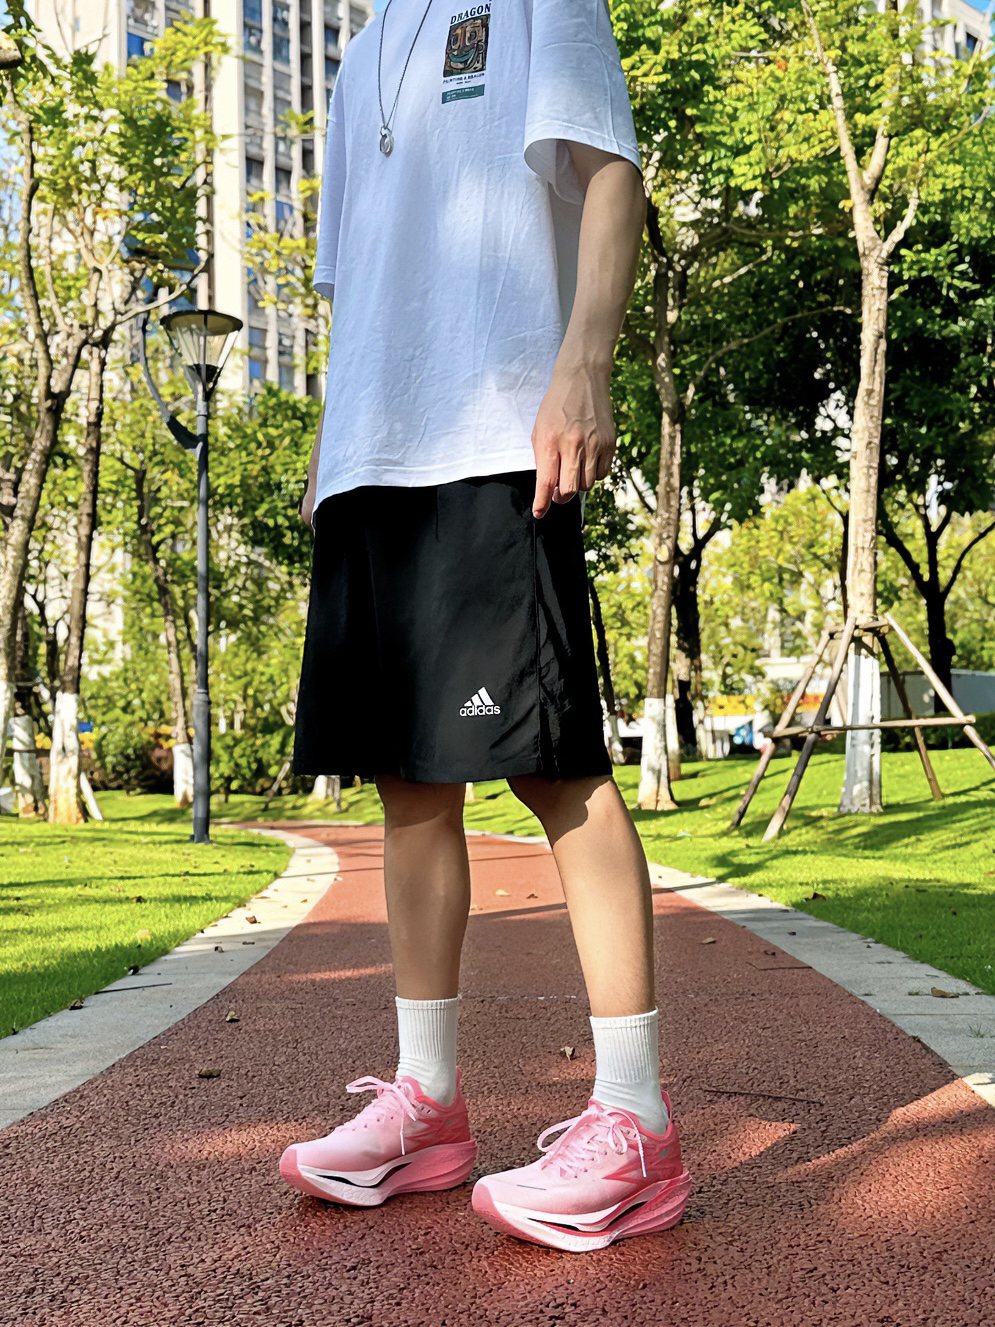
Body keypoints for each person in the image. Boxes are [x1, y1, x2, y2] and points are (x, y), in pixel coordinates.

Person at [281, 0, 691, 1251]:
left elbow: (609, 170)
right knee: (407, 783)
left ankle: (634, 1118)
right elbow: (359, 278)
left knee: (553, 766)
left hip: (495, 431)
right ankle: (427, 1104)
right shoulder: (360, 55)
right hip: (373, 455)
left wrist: (585, 360)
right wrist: (332, 447)